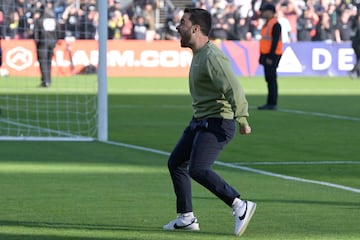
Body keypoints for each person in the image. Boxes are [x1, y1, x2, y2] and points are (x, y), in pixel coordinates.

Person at [163, 8, 256, 237]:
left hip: (218, 122)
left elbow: (233, 87)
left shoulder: (212, 57)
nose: (177, 27)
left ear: (195, 29)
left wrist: (242, 118)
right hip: (200, 121)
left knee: (198, 169)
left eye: (182, 23)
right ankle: (186, 218)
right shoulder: (199, 54)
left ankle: (239, 205)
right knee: (176, 163)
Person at [258, 3, 282, 110]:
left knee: (271, 78)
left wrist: (270, 57)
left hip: (272, 55)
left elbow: (275, 42)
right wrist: (262, 56)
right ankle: (270, 102)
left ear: (271, 12)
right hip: (266, 54)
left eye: (264, 11)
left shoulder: (275, 24)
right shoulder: (267, 24)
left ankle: (272, 102)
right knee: (269, 78)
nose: (263, 13)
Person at [33, 2, 59, 87]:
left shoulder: (39, 20)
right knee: (49, 62)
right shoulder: (54, 19)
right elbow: (58, 31)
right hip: (52, 42)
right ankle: (49, 80)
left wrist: (37, 43)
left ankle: (45, 81)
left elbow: (35, 34)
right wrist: (55, 41)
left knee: (43, 62)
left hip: (42, 43)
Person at [349, 14, 360, 79]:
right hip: (358, 45)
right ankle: (352, 71)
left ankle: (358, 74)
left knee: (358, 59)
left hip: (355, 44)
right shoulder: (358, 25)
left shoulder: (355, 24)